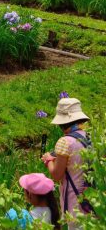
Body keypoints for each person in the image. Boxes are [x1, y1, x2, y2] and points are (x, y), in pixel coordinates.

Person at [42, 96, 90, 229]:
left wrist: (48, 161)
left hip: (75, 202)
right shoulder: (89, 137)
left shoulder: (64, 142)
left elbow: (57, 175)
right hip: (93, 199)